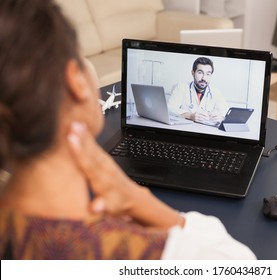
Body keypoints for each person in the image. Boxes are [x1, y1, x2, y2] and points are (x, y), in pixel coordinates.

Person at [0, 0, 256, 260]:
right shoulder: (139, 251)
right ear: (76, 81)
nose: (203, 77)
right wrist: (139, 200)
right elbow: (241, 262)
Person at [168, 57, 229, 126]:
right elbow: (169, 109)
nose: (204, 78)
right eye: (200, 73)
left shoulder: (216, 92)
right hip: (184, 130)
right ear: (193, 73)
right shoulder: (181, 87)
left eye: (208, 74)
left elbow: (226, 112)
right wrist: (190, 116)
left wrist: (222, 117)